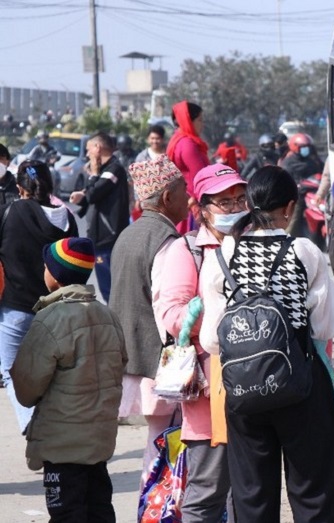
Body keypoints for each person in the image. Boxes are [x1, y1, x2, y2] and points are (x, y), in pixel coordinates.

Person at [199, 166, 334, 522]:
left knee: (252, 498)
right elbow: (328, 326)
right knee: (314, 494)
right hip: (301, 384)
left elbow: (212, 339)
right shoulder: (304, 251)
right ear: (289, 207)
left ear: (249, 204)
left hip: (243, 390)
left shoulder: (222, 255)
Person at [152, 163, 245, 522]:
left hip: (257, 384)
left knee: (250, 494)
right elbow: (171, 315)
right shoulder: (186, 250)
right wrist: (210, 315)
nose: (236, 208)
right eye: (225, 202)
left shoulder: (257, 242)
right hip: (212, 390)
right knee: (207, 491)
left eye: (240, 199)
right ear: (202, 209)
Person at [11, 237, 127, 522]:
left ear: (55, 275)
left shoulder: (50, 320)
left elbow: (26, 388)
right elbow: (120, 364)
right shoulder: (107, 315)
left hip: (62, 446)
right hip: (99, 441)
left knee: (67, 514)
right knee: (99, 510)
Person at [110, 155, 190, 483]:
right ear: (168, 197)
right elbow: (166, 313)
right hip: (156, 366)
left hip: (130, 361)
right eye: (184, 189)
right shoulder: (167, 242)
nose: (190, 197)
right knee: (167, 450)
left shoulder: (128, 236)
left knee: (157, 446)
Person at [0, 160, 78, 434]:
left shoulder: (12, 211)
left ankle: (33, 425)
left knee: (10, 369)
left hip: (15, 308)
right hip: (57, 310)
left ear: (20, 188)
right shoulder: (67, 218)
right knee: (52, 373)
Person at [69, 132, 130, 303]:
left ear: (98, 147)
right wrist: (82, 195)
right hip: (98, 236)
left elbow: (95, 192)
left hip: (107, 237)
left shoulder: (114, 169)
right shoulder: (105, 170)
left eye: (88, 149)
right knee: (106, 288)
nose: (87, 154)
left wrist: (93, 174)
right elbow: (92, 194)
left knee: (110, 288)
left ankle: (117, 324)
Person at [166, 100, 210, 233]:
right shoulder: (187, 144)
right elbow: (202, 176)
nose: (203, 124)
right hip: (193, 205)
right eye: (200, 120)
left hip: (185, 202)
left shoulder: (177, 140)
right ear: (188, 121)